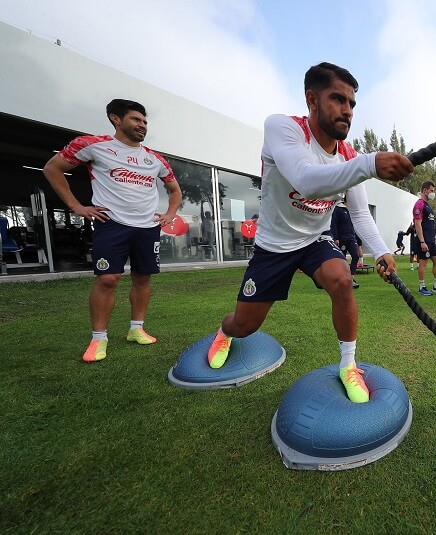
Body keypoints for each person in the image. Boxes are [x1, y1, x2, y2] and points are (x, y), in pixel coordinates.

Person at [206, 62, 414, 403]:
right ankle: (223, 333)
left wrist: (383, 251)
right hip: (273, 245)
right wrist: (370, 164)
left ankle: (349, 365)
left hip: (315, 240)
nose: (347, 110)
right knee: (246, 325)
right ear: (312, 99)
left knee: (342, 279)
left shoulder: (348, 155)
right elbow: (306, 180)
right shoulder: (283, 129)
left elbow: (360, 214)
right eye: (338, 99)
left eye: (351, 104)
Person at [42, 99, 183, 362]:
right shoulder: (93, 145)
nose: (142, 125)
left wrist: (170, 214)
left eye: (144, 121)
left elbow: (174, 190)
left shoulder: (155, 158)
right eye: (136, 120)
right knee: (108, 279)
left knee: (143, 279)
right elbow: (53, 169)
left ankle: (136, 329)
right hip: (112, 224)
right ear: (115, 119)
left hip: (147, 227)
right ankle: (98, 339)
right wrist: (76, 206)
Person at [413, 181, 436, 295]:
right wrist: (422, 241)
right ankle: (421, 287)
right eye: (432, 191)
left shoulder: (428, 205)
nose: (433, 193)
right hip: (424, 241)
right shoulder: (419, 204)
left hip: (431, 241)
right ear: (425, 190)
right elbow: (417, 224)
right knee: (423, 263)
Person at [330, 198, 360, 288]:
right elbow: (333, 224)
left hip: (351, 238)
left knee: (356, 256)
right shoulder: (337, 209)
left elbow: (352, 226)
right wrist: (336, 238)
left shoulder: (349, 211)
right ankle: (341, 279)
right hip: (342, 239)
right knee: (342, 260)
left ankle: (351, 278)